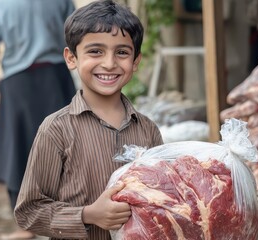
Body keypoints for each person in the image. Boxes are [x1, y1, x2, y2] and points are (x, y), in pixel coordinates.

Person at [14, 0, 164, 239]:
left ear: (135, 61)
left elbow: (162, 197)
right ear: (71, 58)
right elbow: (29, 212)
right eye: (95, 51)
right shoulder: (56, 129)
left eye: (122, 52)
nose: (109, 63)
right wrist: (88, 215)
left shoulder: (148, 130)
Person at [0, 0, 77, 239]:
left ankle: (25, 226)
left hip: (18, 83)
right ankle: (68, 214)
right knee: (66, 146)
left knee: (16, 148)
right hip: (57, 79)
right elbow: (75, 35)